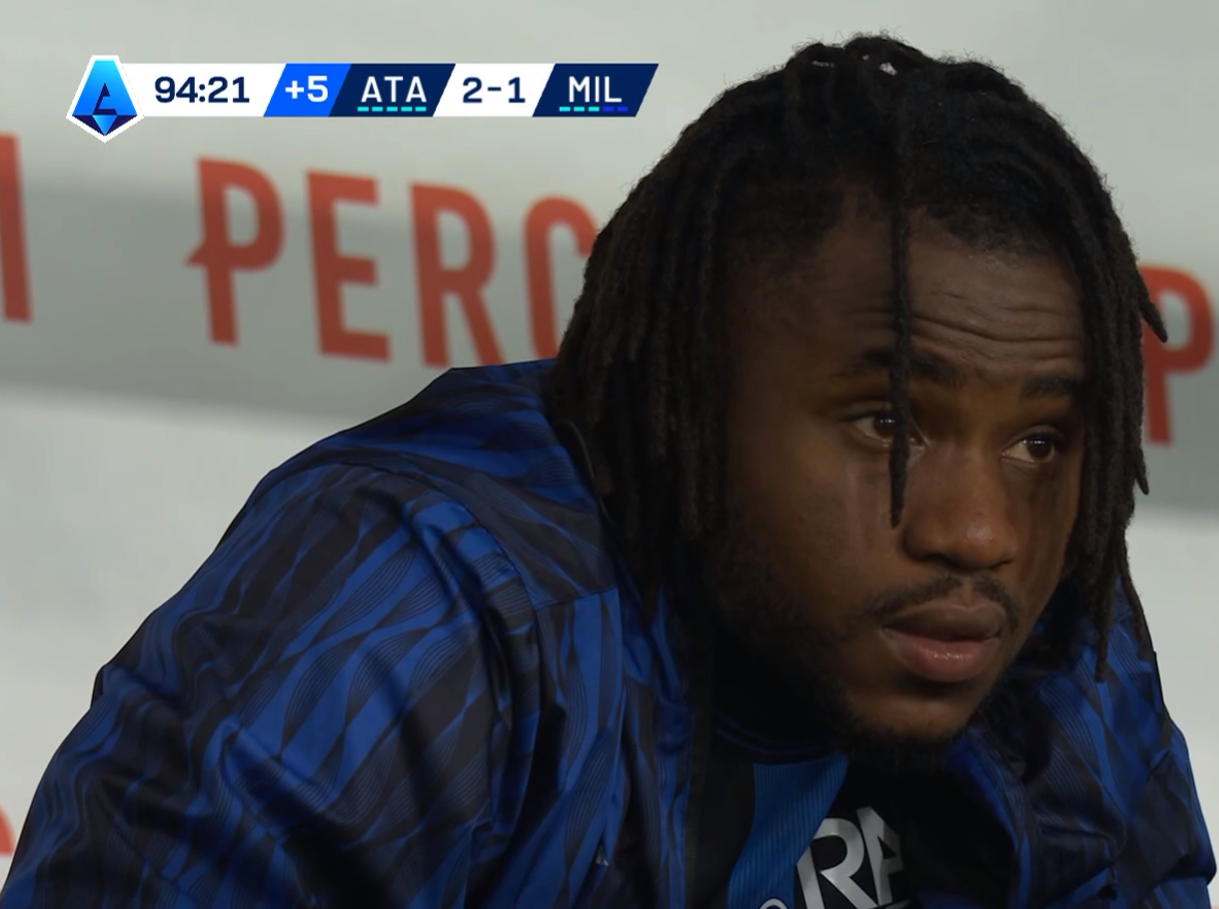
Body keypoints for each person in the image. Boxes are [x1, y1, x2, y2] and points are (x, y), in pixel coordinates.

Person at [1, 34, 1213, 909]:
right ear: (690, 396)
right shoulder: (425, 602)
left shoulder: (1045, 624)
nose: (979, 531)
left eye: (1039, 442)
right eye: (887, 424)